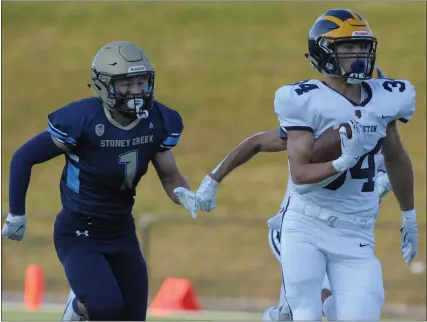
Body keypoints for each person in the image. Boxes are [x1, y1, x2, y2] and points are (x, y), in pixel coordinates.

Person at [193, 8, 418, 321]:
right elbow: (270, 151)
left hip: (356, 231)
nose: (360, 56)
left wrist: (409, 215)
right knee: (304, 313)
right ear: (324, 52)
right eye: (349, 48)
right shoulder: (308, 105)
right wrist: (213, 179)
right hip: (305, 222)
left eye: (363, 48)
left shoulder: (385, 105)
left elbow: (396, 160)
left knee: (357, 312)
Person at [1, 41, 198, 321]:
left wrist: (185, 194)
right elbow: (23, 157)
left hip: (121, 229)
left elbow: (169, 175)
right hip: (80, 229)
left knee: (131, 315)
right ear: (104, 86)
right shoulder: (82, 119)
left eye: (141, 83)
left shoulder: (158, 120)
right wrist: (17, 213)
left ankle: (85, 302)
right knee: (105, 307)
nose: (136, 92)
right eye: (126, 85)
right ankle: (78, 309)